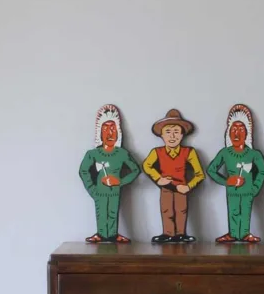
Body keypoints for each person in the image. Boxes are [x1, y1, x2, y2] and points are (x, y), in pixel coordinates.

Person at [78, 104, 140, 243]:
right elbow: (83, 171)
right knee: (101, 212)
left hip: (115, 190)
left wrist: (120, 181)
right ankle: (100, 234)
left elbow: (136, 170)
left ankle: (112, 234)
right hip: (99, 190)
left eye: (113, 129)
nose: (110, 133)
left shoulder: (122, 153)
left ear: (118, 132)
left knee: (113, 211)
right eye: (105, 129)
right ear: (100, 133)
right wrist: (92, 189)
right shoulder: (93, 154)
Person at [206, 104, 264, 243]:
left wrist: (255, 188)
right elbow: (211, 170)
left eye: (241, 129)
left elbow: (263, 171)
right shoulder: (225, 153)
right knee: (233, 212)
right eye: (233, 129)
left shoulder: (253, 154)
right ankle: (233, 234)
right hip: (232, 191)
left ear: (247, 133)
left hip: (248, 191)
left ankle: (245, 234)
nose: (236, 133)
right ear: (228, 132)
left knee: (245, 212)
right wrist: (226, 181)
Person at [141, 109, 204, 243]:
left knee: (181, 210)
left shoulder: (189, 152)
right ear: (162, 135)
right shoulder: (157, 152)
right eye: (168, 132)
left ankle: (181, 233)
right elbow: (147, 165)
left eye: (176, 132)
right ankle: (168, 233)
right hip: (166, 187)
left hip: (181, 187)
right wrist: (158, 178)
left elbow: (199, 174)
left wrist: (188, 186)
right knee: (166, 210)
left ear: (182, 135)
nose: (172, 136)